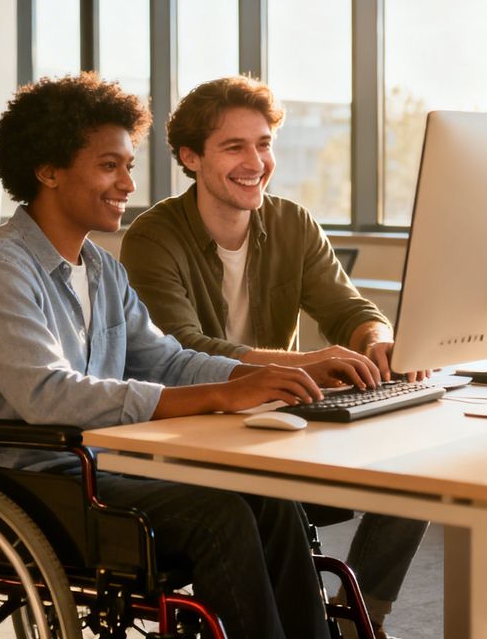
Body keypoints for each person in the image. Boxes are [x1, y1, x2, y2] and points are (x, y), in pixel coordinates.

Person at [0, 73, 378, 639]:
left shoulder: (102, 269)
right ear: (48, 171)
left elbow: (168, 360)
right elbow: (49, 395)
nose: (128, 183)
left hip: (104, 465)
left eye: (128, 166)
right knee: (220, 516)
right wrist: (223, 392)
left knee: (270, 501)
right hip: (34, 482)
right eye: (110, 166)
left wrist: (257, 377)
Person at [121, 75, 429, 637]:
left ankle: (363, 615)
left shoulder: (293, 223)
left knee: (424, 458)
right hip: (199, 427)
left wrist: (375, 339)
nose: (255, 162)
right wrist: (305, 364)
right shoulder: (152, 236)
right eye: (233, 147)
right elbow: (180, 348)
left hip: (283, 419)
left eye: (263, 144)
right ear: (190, 157)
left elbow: (349, 308)